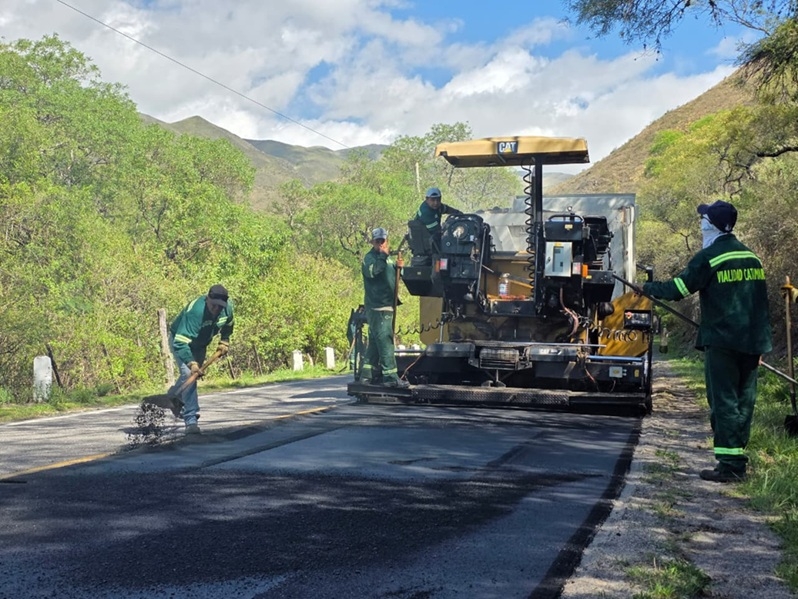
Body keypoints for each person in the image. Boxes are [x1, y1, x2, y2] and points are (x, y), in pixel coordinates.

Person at [641, 200, 772, 483]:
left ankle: (730, 466)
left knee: (724, 400)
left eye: (703, 219)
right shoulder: (752, 258)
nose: (700, 223)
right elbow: (761, 304)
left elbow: (678, 289)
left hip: (723, 342)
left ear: (710, 225)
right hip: (753, 342)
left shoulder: (709, 257)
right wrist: (761, 344)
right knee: (744, 400)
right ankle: (737, 456)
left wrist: (648, 288)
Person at [168, 284, 234, 434]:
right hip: (181, 342)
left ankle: (174, 395)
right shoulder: (195, 312)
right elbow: (180, 342)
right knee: (189, 373)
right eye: (213, 305)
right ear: (207, 299)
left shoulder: (227, 309)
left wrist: (225, 340)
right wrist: (192, 363)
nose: (216, 309)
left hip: (201, 344)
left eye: (220, 306)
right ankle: (191, 420)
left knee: (192, 377)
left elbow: (229, 324)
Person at [361, 228, 410, 388]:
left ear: (387, 241)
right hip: (378, 307)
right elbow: (374, 272)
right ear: (373, 242)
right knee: (386, 341)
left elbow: (391, 277)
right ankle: (390, 378)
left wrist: (399, 268)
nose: (381, 244)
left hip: (387, 305)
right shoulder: (369, 259)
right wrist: (383, 256)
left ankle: (366, 375)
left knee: (375, 342)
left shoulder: (388, 260)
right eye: (378, 241)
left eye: (383, 241)